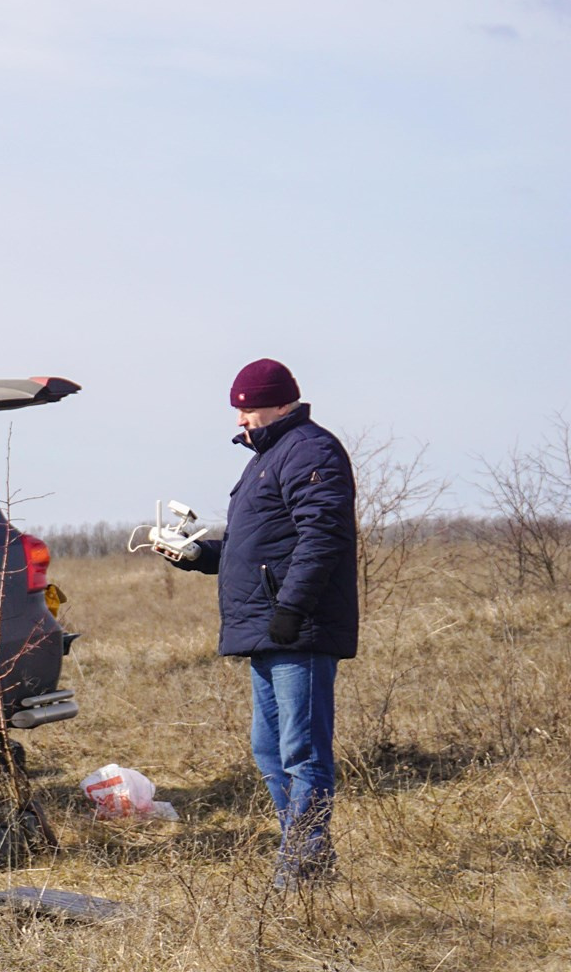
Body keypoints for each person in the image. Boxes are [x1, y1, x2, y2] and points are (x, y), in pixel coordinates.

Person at [164, 358, 357, 886]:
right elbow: (258, 548)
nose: (239, 420)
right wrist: (197, 555)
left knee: (302, 752)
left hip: (298, 628)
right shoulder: (268, 458)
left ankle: (303, 866)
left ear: (280, 404)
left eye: (246, 409)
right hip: (269, 629)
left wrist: (292, 609)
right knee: (270, 751)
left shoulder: (311, 450)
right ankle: (305, 856)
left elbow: (322, 536)